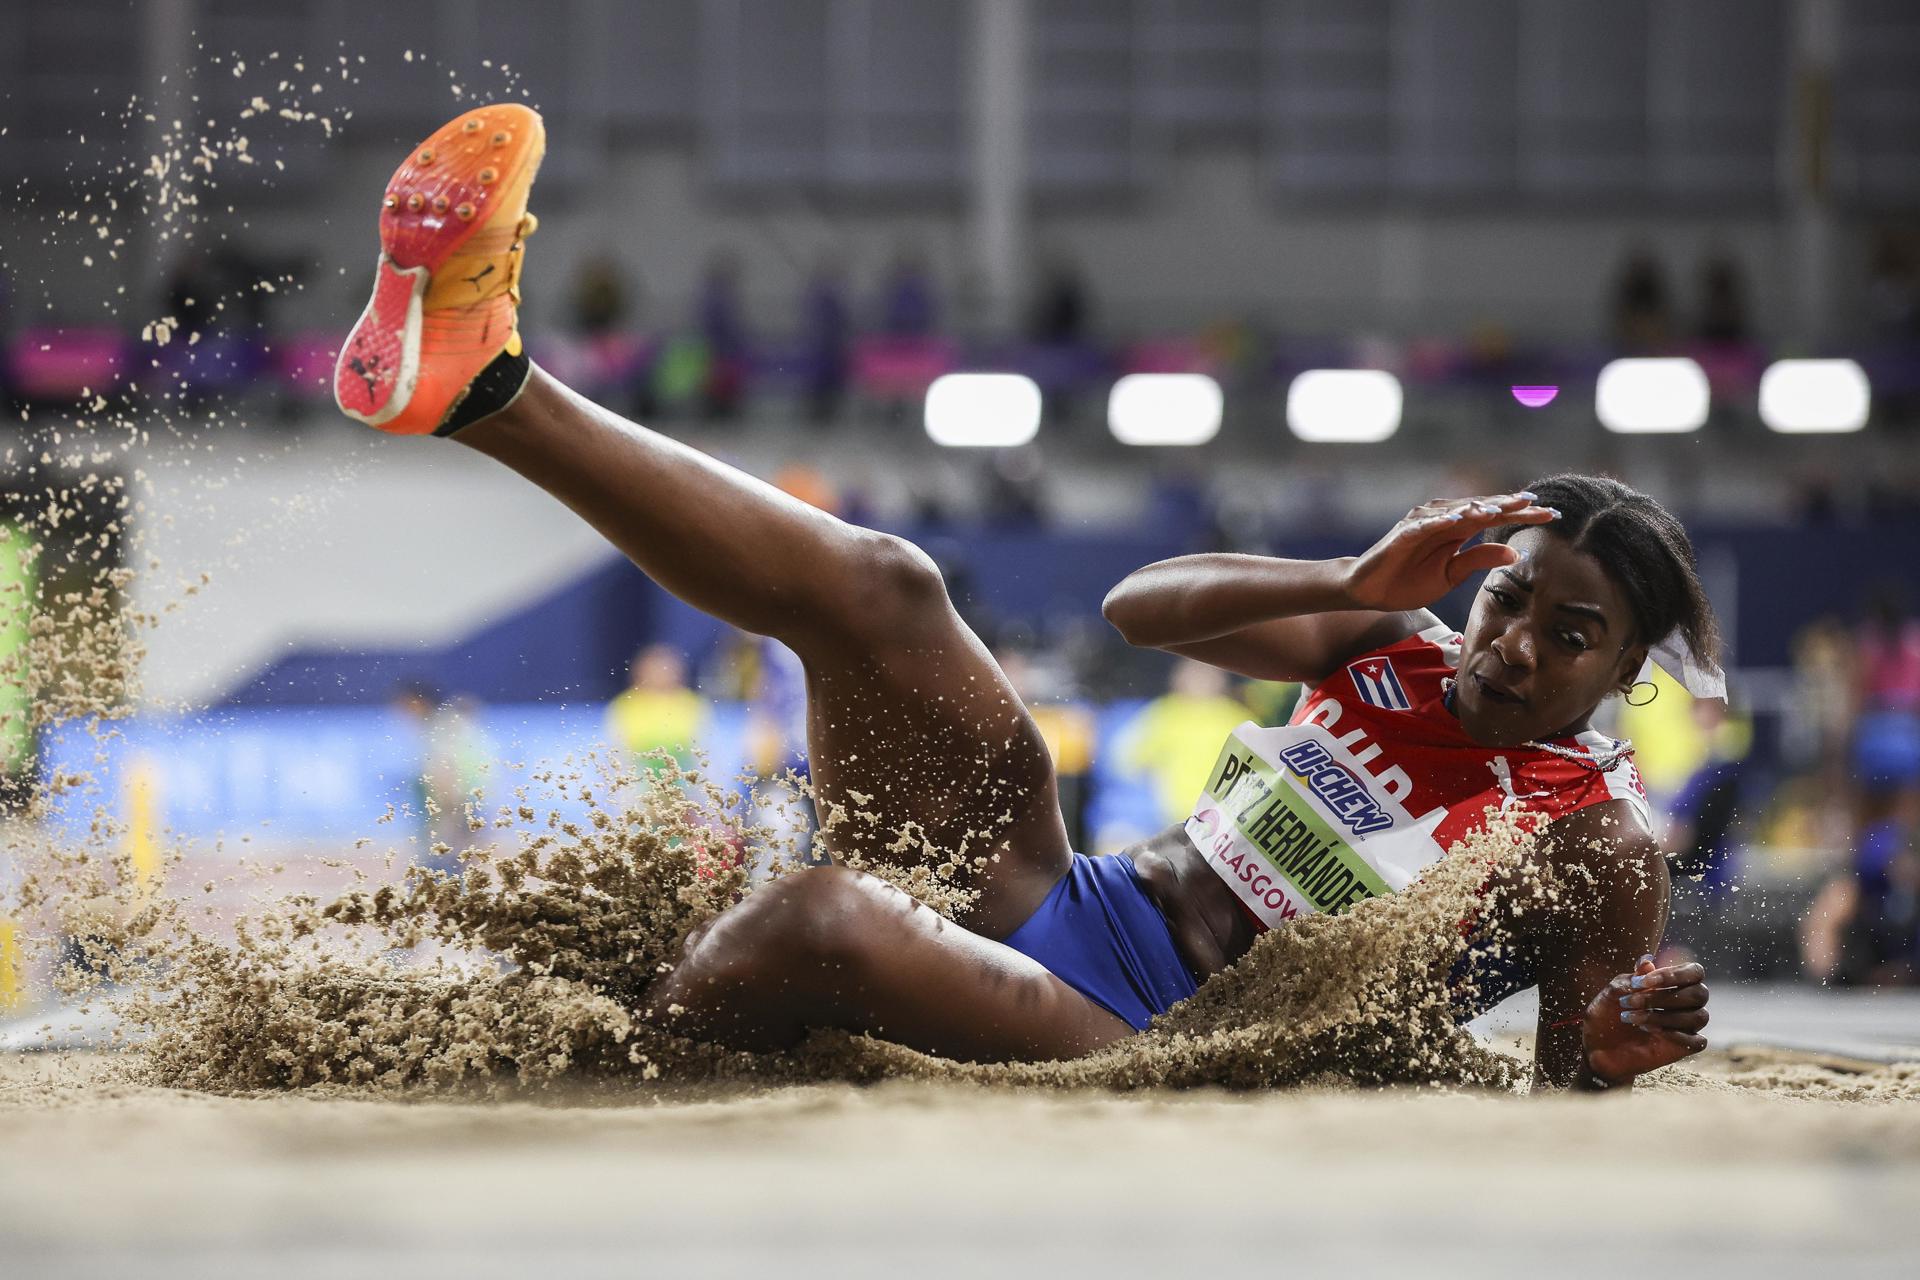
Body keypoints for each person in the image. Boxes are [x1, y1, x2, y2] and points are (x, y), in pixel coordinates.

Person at [333, 104, 1713, 1091]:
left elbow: (1569, 1070)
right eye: (1509, 599)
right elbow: (1138, 608)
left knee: (821, 917)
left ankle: (584, 1073)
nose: (1515, 644)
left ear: (1625, 670)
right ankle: (483, 383)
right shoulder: (1386, 642)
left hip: (1154, 1037)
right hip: (1070, 897)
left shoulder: (1599, 845)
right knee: (885, 583)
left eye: (1570, 636)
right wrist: (1347, 579)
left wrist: (1611, 1047)